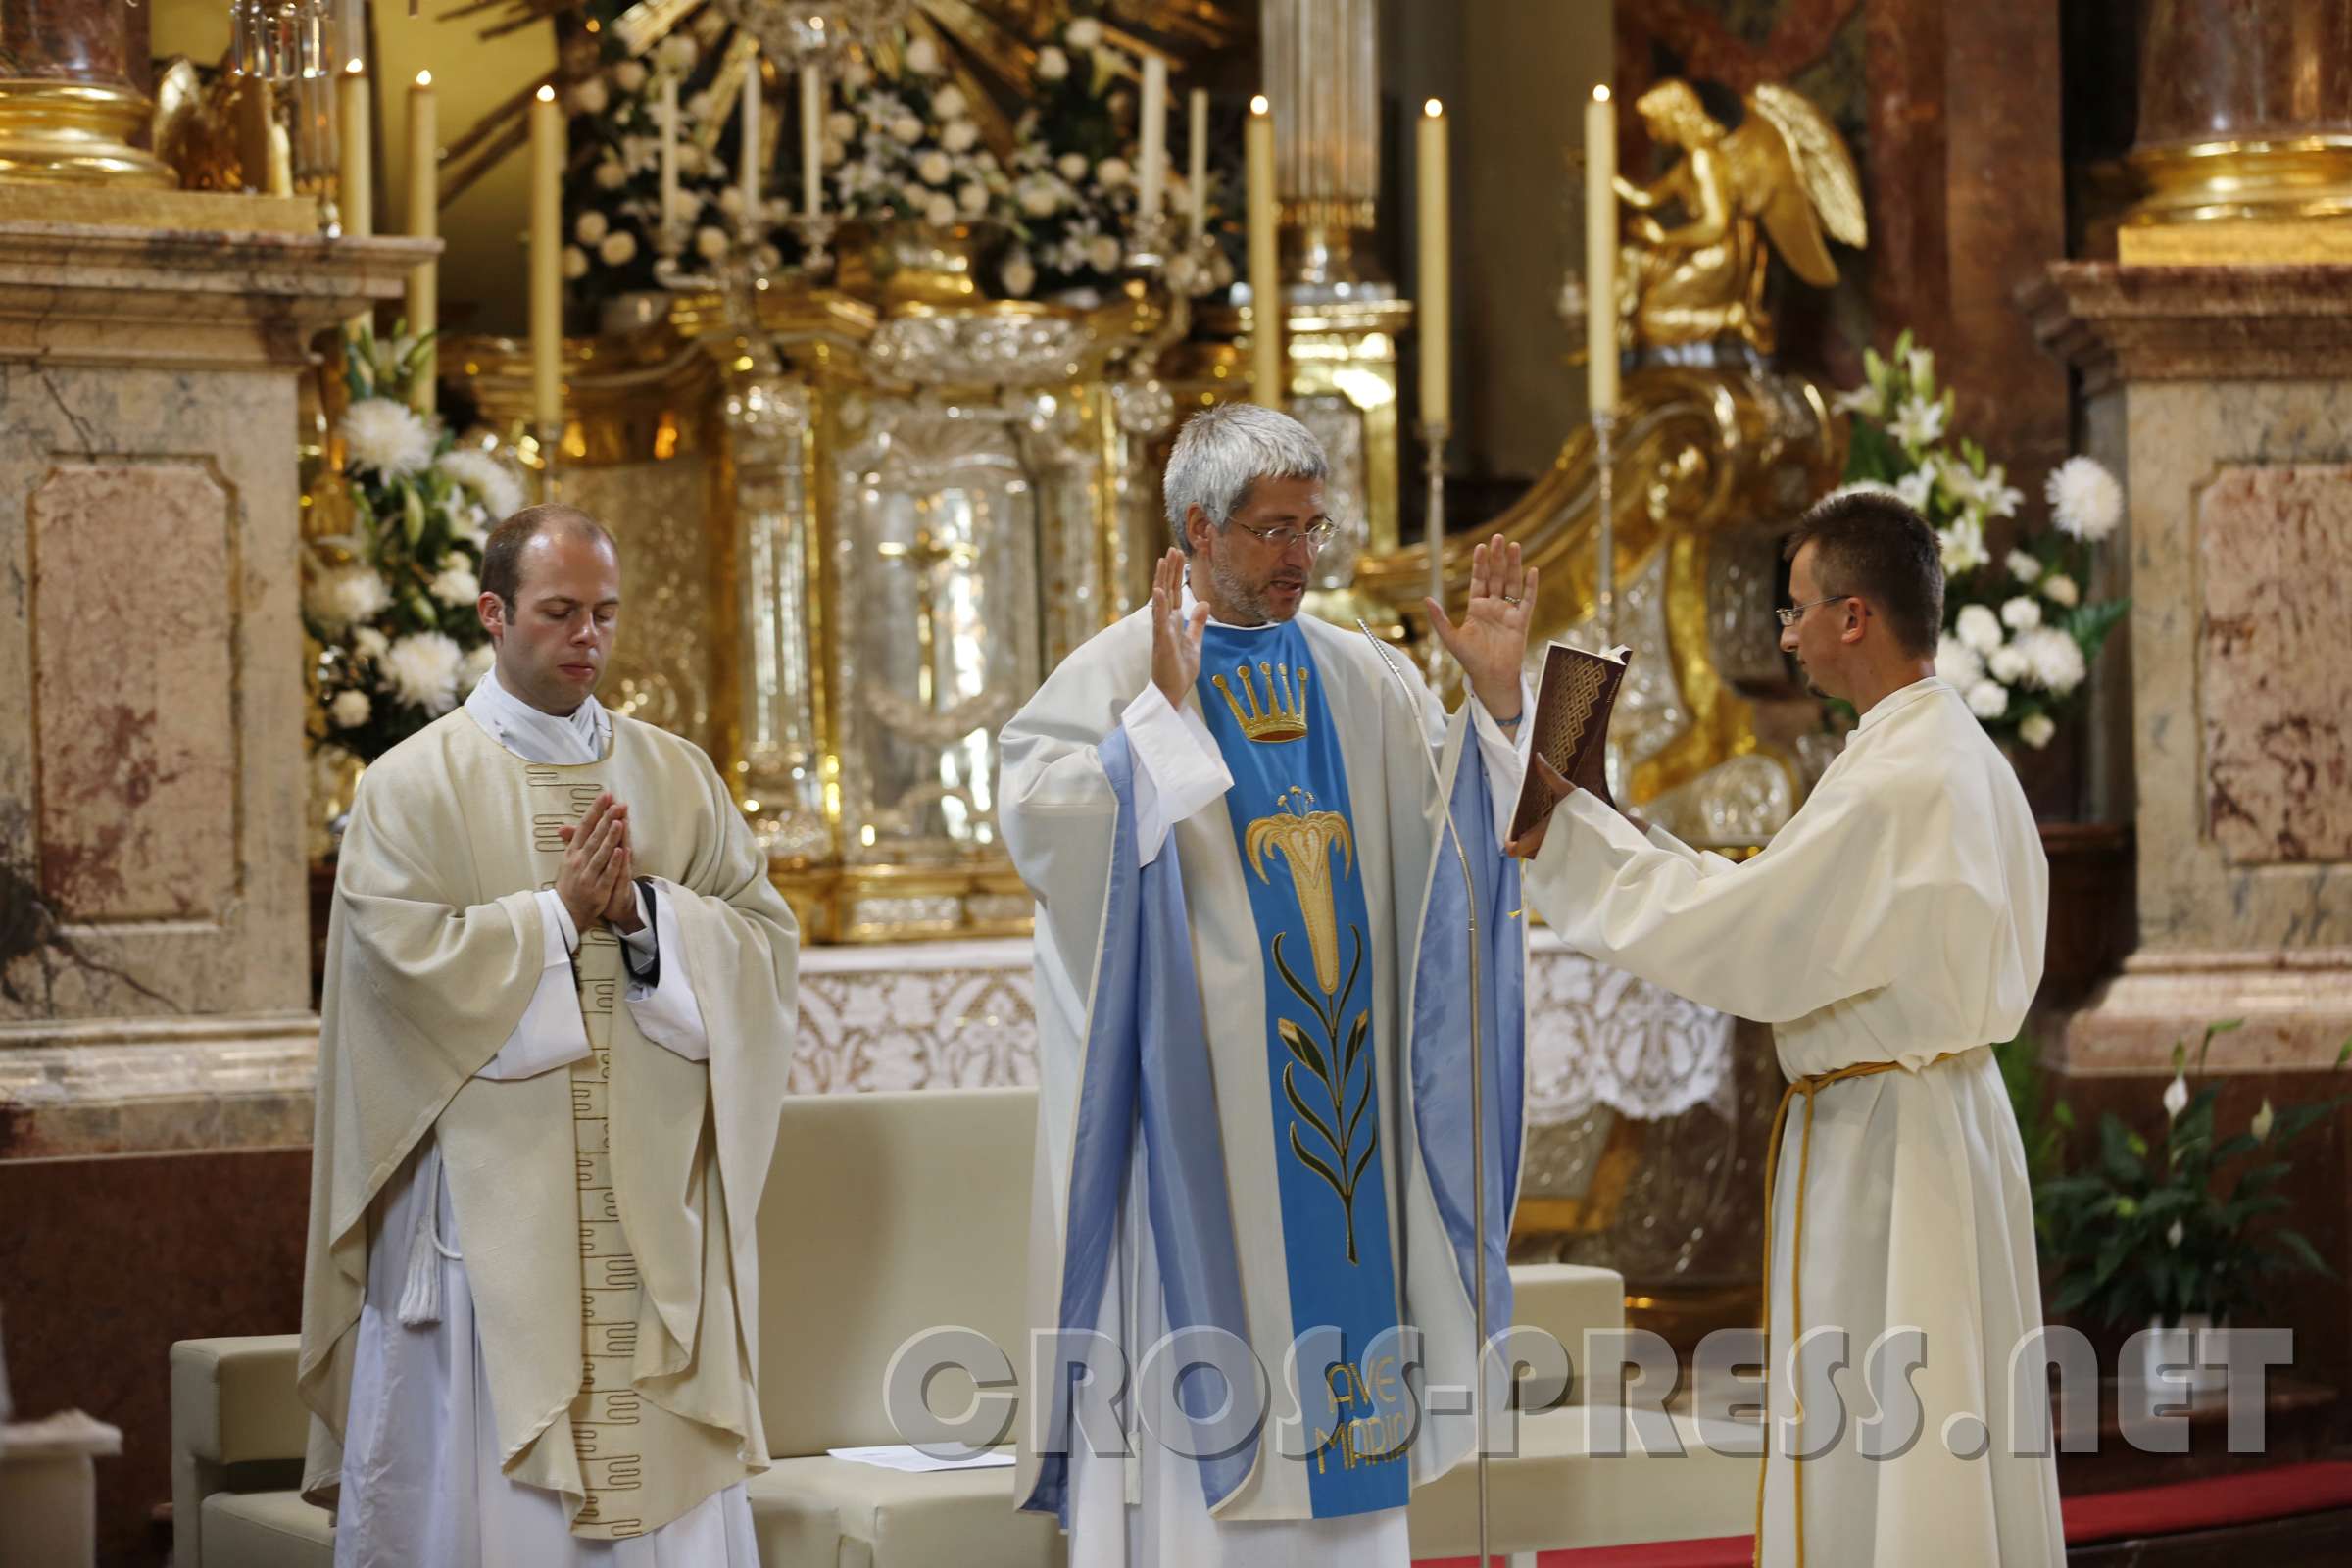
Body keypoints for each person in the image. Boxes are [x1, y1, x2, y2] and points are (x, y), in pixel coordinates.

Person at [1001, 403, 1533, 1566]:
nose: (1301, 557)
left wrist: (1497, 706)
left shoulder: (1361, 675)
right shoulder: (1118, 668)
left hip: (1350, 1139)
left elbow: (1458, 853)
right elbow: (1042, 825)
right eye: (1274, 530)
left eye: (1312, 528)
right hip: (1203, 1144)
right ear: (1200, 529)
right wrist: (1157, 720)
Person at [1510, 489, 2063, 1566]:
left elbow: (1752, 937)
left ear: (1856, 616)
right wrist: (1618, 829)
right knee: (1935, 1416)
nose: (1787, 635)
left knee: (1895, 1424)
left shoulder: (1898, 777)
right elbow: (1778, 897)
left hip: (1889, 1147)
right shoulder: (1944, 749)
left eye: (1797, 609)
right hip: (1942, 1120)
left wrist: (1570, 831)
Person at [298, 504, 800, 1565]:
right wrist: (555, 916)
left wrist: (647, 918)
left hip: (646, 1197)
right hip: (488, 1208)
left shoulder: (678, 776)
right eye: (559, 611)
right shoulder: (410, 785)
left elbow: (762, 945)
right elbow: (398, 974)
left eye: (605, 613)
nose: (587, 637)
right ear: (493, 613)